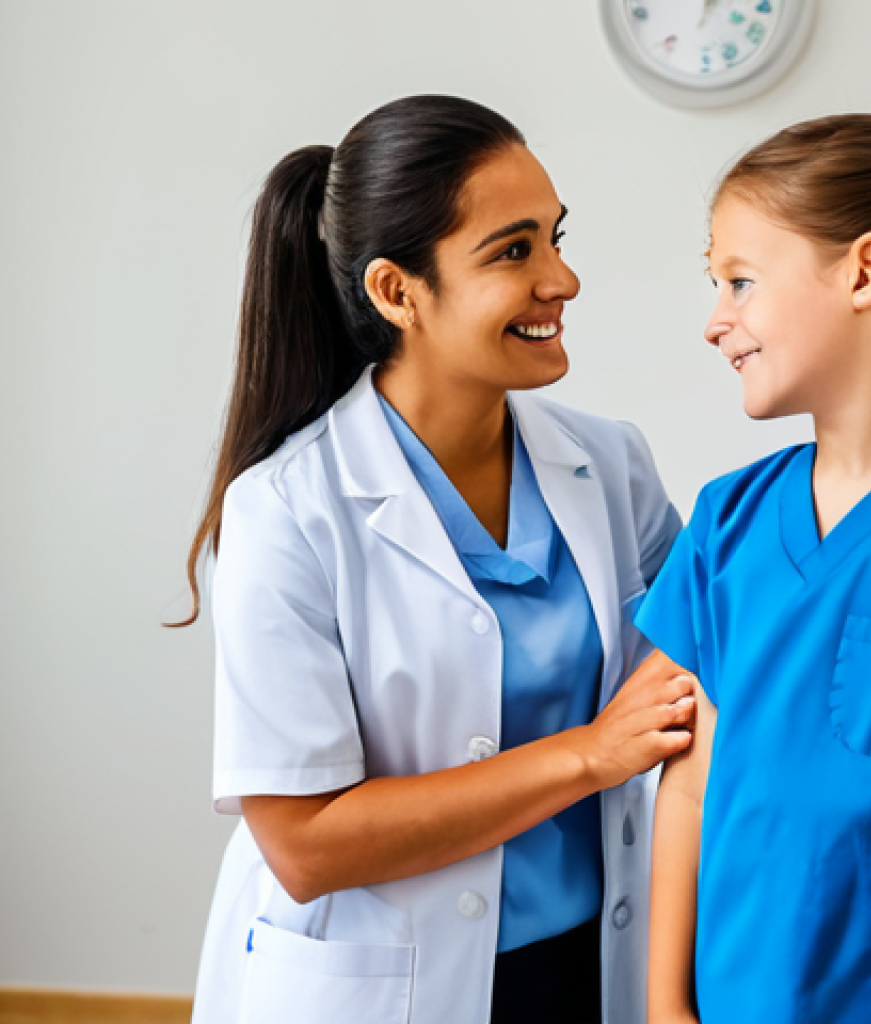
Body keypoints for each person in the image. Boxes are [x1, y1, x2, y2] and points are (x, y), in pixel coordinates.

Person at [178, 95, 695, 1024]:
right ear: (396, 291)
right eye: (514, 250)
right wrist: (588, 755)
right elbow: (306, 844)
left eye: (555, 237)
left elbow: (703, 635)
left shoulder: (608, 463)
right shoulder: (288, 511)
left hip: (588, 963)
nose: (563, 278)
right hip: (384, 985)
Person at [638, 113, 871, 1024]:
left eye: (739, 281)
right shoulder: (726, 522)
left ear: (866, 272)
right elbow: (691, 787)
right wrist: (664, 1007)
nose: (714, 322)